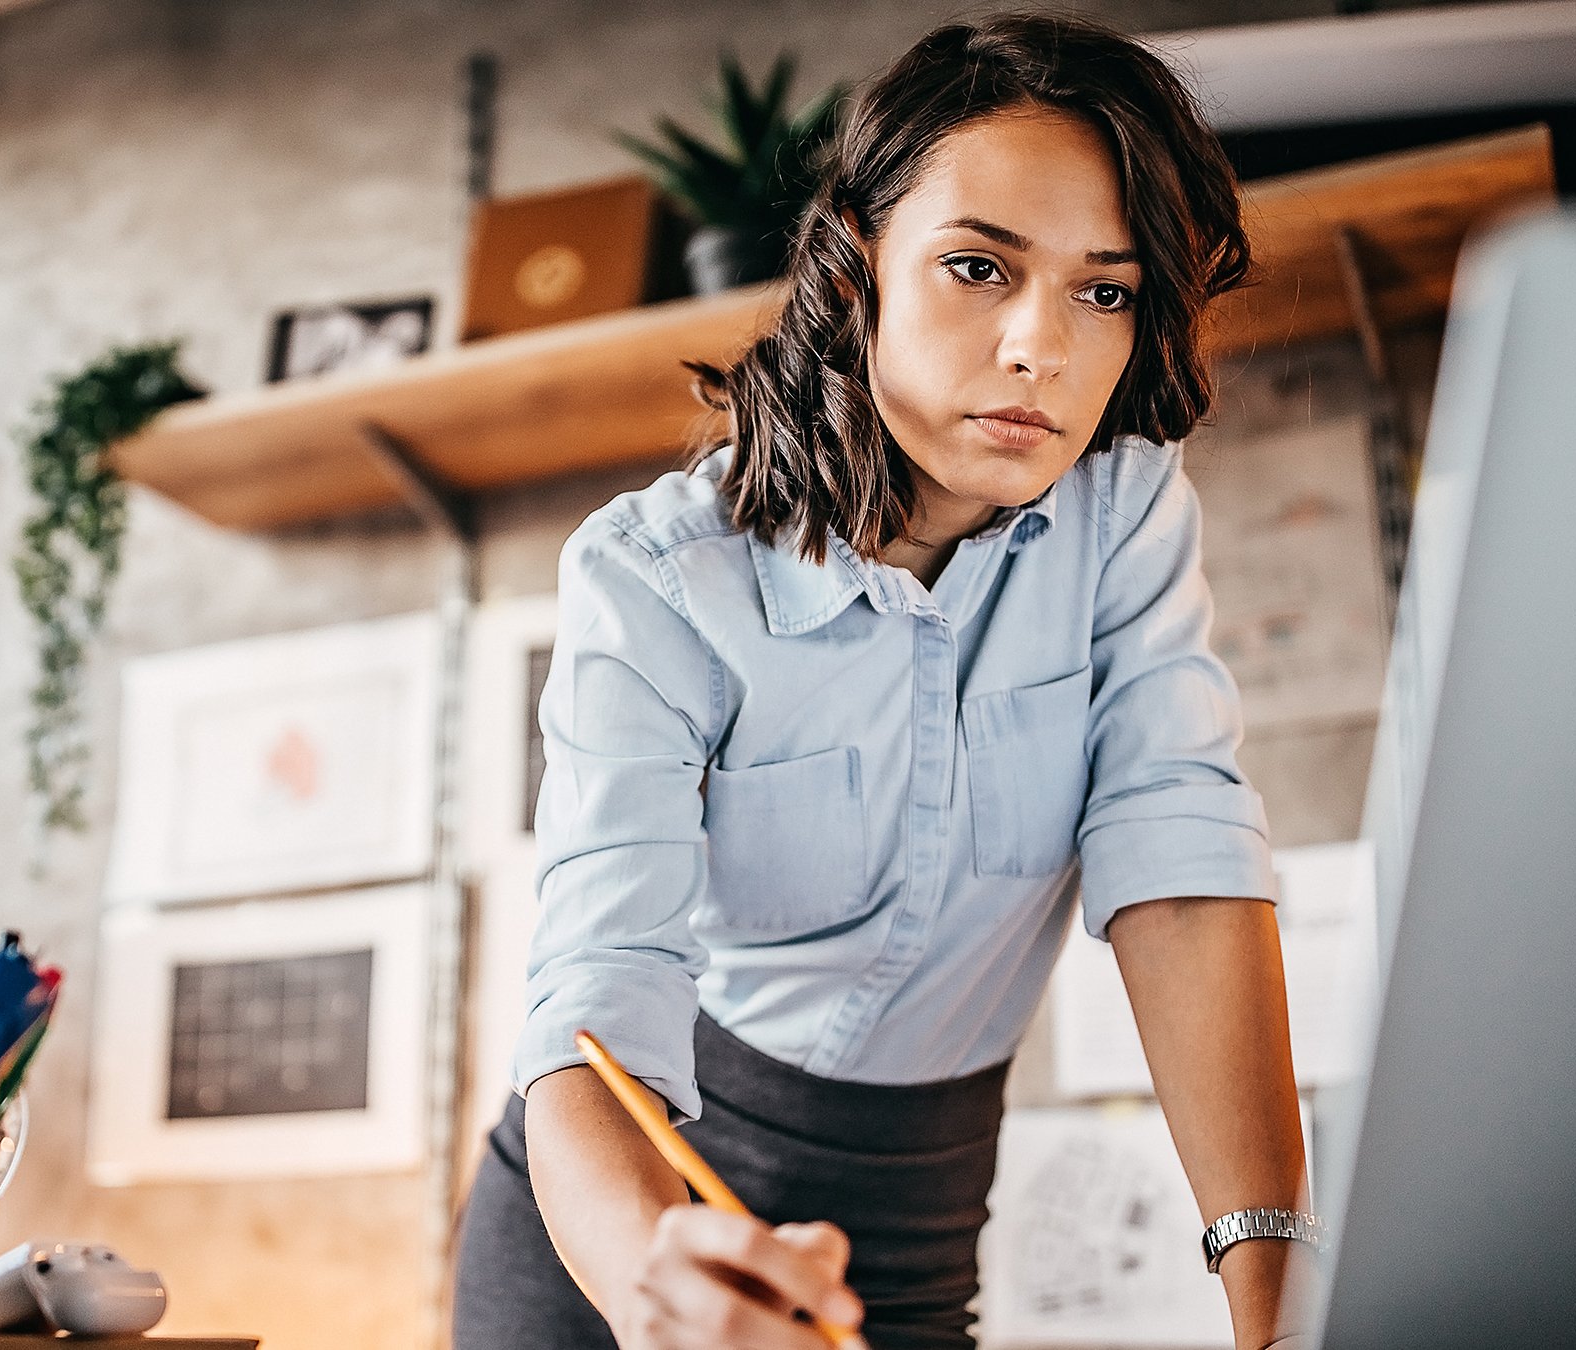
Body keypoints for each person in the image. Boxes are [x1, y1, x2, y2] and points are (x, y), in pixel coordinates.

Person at [452, 13, 1316, 1350]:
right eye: (980, 266)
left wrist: (1276, 1294)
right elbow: (596, 990)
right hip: (624, 1233)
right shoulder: (657, 582)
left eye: (1106, 289)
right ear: (856, 264)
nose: (1043, 344)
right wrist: (651, 1291)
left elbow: (1180, 852)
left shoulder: (1123, 515)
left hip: (906, 1243)